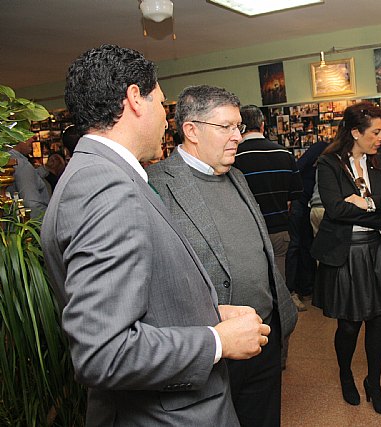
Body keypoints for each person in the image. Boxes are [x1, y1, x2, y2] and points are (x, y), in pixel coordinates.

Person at [41, 45, 270, 426]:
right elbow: (105, 353)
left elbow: (142, 299)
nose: (167, 121)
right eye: (162, 104)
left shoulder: (104, 175)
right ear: (134, 98)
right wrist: (217, 341)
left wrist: (206, 313)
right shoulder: (104, 188)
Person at [147, 85, 297, 427]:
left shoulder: (238, 177)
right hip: (214, 349)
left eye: (238, 126)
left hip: (263, 337)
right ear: (191, 130)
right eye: (226, 127)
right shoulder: (155, 184)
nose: (238, 137)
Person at [311, 102, 381, 415]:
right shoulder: (328, 163)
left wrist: (366, 202)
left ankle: (374, 382)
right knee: (349, 326)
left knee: (379, 321)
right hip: (345, 254)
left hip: (376, 249)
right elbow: (336, 209)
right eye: (376, 132)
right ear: (356, 132)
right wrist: (376, 210)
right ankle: (345, 373)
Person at [234, 105, 304, 310]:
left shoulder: (233, 156)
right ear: (263, 125)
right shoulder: (284, 154)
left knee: (254, 292)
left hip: (247, 233)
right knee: (278, 287)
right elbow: (294, 196)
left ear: (241, 127)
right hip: (279, 229)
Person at [285, 138, 328, 308]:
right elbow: (297, 168)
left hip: (309, 203)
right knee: (299, 244)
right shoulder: (322, 147)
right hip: (301, 200)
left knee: (306, 245)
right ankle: (297, 290)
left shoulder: (326, 149)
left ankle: (306, 288)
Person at [7, 137, 50, 217]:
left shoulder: (7, 160)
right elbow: (32, 205)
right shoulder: (22, 165)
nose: (32, 140)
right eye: (27, 136)